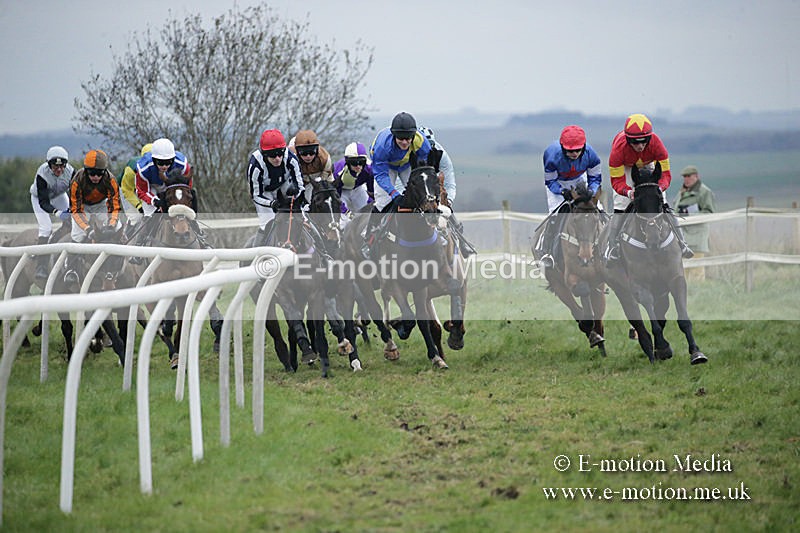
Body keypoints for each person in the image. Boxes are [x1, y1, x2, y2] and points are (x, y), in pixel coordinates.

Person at [605, 113, 693, 262]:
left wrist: (660, 188)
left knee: (662, 203)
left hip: (648, 164)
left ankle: (682, 243)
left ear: (649, 138)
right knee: (620, 206)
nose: (640, 146)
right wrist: (628, 192)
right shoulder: (618, 150)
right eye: (635, 142)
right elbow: (617, 181)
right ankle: (612, 248)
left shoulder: (657, 144)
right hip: (626, 167)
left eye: (644, 141)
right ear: (627, 140)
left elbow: (665, 174)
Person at [361, 111, 432, 259]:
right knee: (383, 201)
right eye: (400, 139)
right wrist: (394, 194)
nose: (405, 142)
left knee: (422, 197)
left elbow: (423, 166)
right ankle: (369, 238)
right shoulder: (382, 146)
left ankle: (434, 229)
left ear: (413, 136)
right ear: (394, 136)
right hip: (387, 167)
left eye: (408, 138)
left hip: (405, 165)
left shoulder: (421, 142)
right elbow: (380, 175)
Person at [535, 125, 602, 267]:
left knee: (598, 210)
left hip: (579, 180)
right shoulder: (552, 156)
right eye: (570, 151)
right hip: (558, 182)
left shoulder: (592, 155)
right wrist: (561, 191)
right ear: (562, 147)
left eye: (578, 150)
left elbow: (595, 179)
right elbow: (550, 181)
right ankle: (547, 251)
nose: (575, 154)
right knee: (556, 214)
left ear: (583, 147)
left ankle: (606, 247)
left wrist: (591, 190)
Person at [132, 137, 208, 252]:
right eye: (160, 163)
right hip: (152, 187)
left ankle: (200, 237)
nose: (164, 166)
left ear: (173, 159)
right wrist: (155, 201)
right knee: (149, 214)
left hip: (172, 186)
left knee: (185, 208)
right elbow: (141, 191)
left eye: (168, 162)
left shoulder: (182, 164)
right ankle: (140, 244)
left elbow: (187, 186)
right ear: (154, 160)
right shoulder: (143, 169)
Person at [63, 149, 122, 284]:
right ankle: (71, 269)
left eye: (99, 173)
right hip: (82, 207)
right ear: (85, 171)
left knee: (118, 227)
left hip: (101, 205)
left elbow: (114, 206)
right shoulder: (76, 181)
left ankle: (121, 264)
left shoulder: (111, 180)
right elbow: (76, 210)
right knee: (78, 235)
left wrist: (111, 224)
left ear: (104, 172)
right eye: (92, 173)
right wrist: (88, 229)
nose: (95, 177)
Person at [416, 126, 475, 257]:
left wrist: (448, 201)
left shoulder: (441, 154)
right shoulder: (409, 154)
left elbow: (449, 182)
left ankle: (462, 244)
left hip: (434, 189)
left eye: (430, 146)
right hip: (416, 190)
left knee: (447, 212)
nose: (427, 150)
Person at [247, 128, 305, 247]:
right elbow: (256, 195)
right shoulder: (255, 166)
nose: (277, 158)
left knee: (302, 216)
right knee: (267, 223)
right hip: (264, 193)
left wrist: (296, 191)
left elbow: (300, 185)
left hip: (284, 186)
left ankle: (321, 248)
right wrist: (270, 203)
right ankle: (256, 253)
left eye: (280, 153)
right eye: (273, 155)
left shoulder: (291, 159)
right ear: (264, 155)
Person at [30, 146, 75, 280]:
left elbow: (75, 194)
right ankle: (41, 265)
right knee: (46, 228)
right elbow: (44, 202)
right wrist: (57, 212)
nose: (59, 170)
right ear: (49, 164)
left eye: (62, 167)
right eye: (55, 167)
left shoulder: (71, 172)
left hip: (59, 196)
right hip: (40, 199)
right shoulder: (42, 174)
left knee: (73, 222)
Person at [673, 165, 715, 281]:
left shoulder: (704, 192)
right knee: (682, 269)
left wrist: (689, 216)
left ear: (696, 176)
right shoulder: (681, 192)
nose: (686, 179)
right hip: (682, 236)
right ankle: (686, 292)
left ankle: (699, 292)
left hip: (697, 236)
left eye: (688, 176)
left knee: (697, 269)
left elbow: (709, 213)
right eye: (684, 176)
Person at [289, 129, 333, 204]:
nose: (308, 157)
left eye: (312, 152)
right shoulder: (291, 158)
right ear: (297, 151)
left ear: (317, 150)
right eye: (304, 153)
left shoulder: (325, 159)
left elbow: (327, 181)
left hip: (313, 182)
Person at [331, 141, 374, 218]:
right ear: (347, 162)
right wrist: (346, 211)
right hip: (342, 191)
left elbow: (371, 191)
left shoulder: (370, 168)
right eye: (354, 162)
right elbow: (336, 197)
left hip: (358, 189)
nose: (358, 166)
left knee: (368, 214)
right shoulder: (338, 171)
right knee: (344, 220)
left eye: (361, 162)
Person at [118, 143, 152, 229]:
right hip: (127, 189)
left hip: (142, 190)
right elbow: (127, 190)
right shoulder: (131, 170)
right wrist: (138, 205)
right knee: (136, 218)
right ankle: (126, 238)